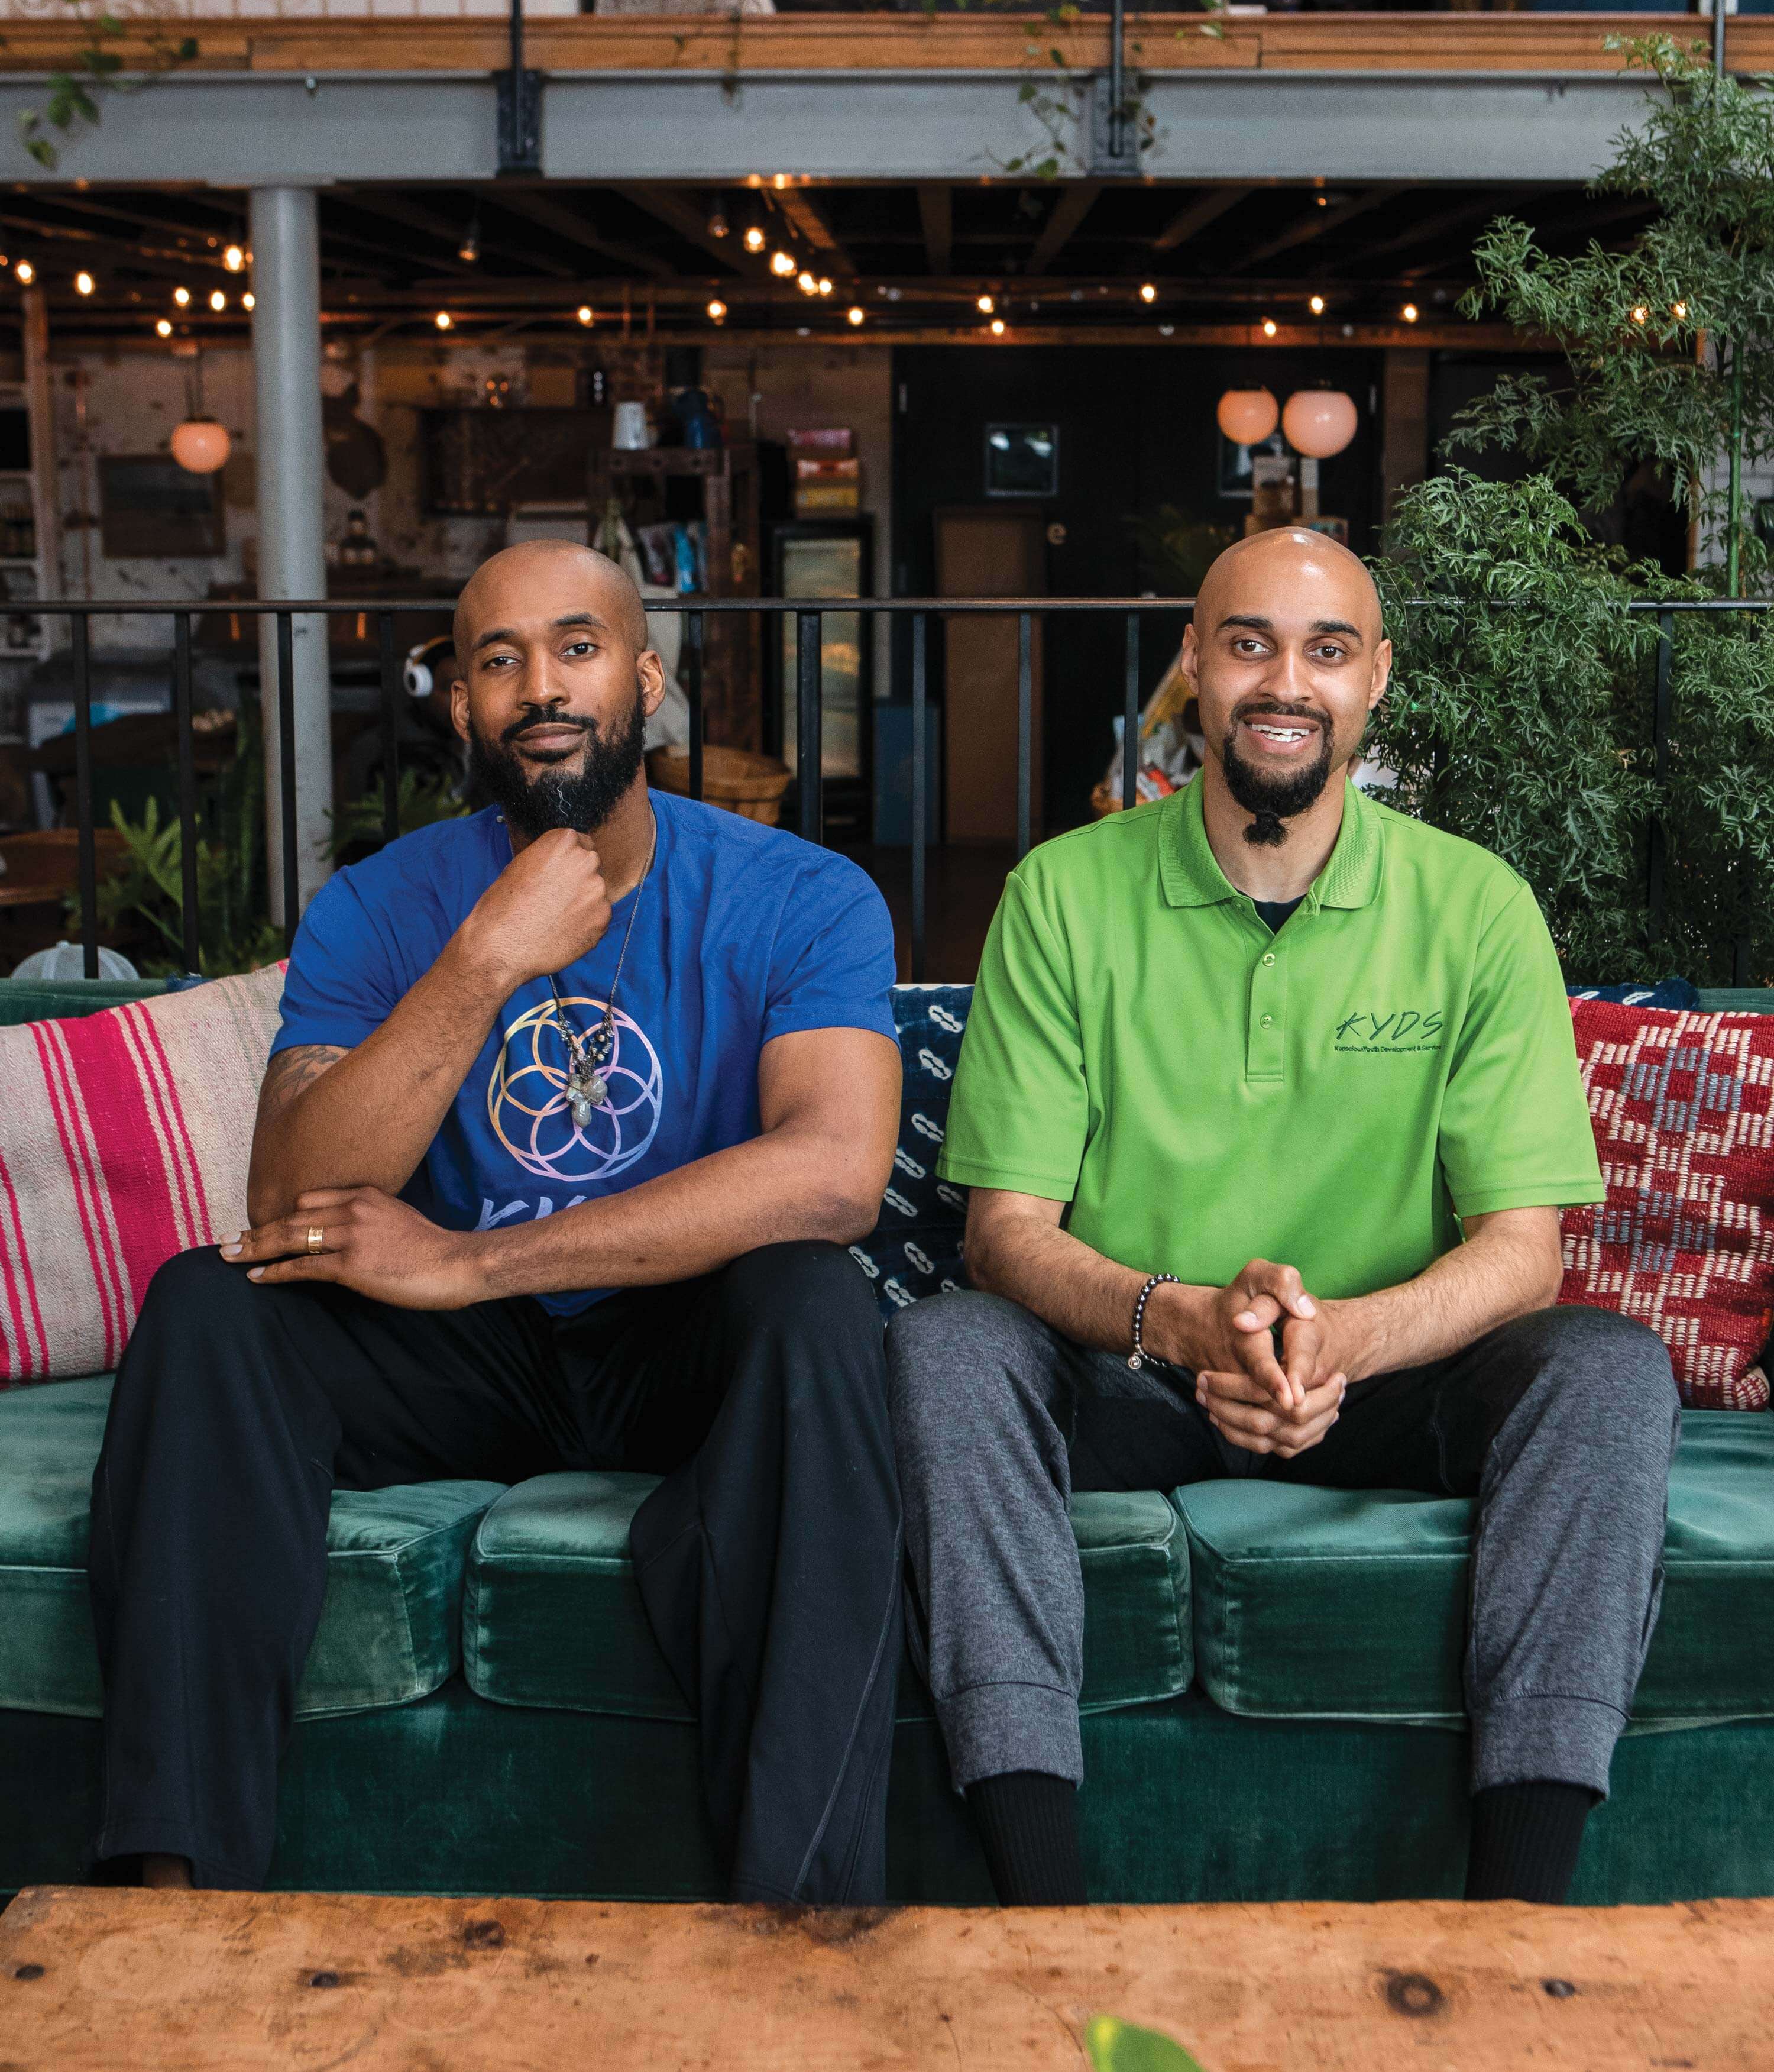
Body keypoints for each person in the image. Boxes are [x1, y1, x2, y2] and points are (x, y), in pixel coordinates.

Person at [88, 540, 905, 1904]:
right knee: (210, 1303)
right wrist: (484, 960)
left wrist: (471, 1260)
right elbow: (289, 1201)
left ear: (647, 679)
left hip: (664, 1334)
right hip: (460, 1361)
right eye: (498, 658)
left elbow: (832, 1173)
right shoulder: (380, 905)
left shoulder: (802, 895)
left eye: (578, 647)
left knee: (816, 1305)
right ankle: (171, 1899)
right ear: (459, 706)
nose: (542, 687)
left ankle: (805, 1921)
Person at [889, 526, 1677, 1910]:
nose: (1283, 681)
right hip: (1134, 1365)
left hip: (1395, 1381)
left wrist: (1342, 1344)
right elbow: (1005, 1233)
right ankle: (1038, 1905)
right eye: (1248, 642)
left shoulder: (1474, 905)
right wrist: (1186, 1321)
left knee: (1608, 1367)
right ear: (1193, 667)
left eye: (1325, 649)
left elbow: (1522, 1249)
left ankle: (1519, 1910)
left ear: (1376, 679)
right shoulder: (1063, 895)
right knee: (946, 1348)